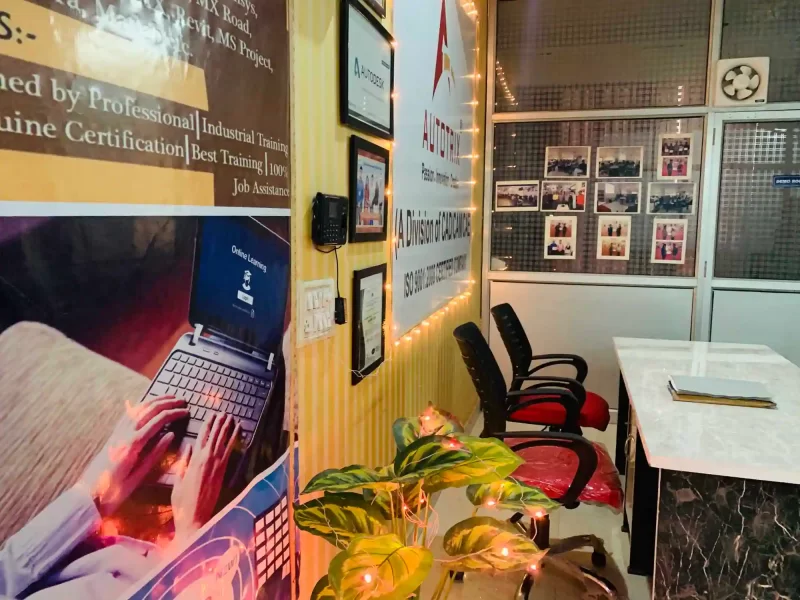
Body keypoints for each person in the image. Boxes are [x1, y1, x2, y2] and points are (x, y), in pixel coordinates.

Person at [0, 396, 240, 600]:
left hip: (97, 540)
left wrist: (92, 495)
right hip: (187, 569)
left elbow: (6, 574)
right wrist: (191, 539)